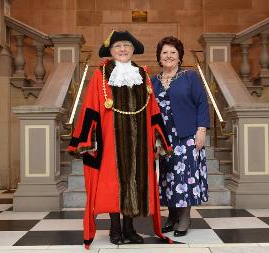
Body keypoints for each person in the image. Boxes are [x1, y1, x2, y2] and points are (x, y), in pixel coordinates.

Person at [68, 31, 172, 249]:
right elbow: (90, 107)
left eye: (127, 45)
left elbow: (153, 109)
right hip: (111, 140)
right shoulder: (101, 74)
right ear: (111, 51)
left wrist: (159, 138)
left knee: (136, 180)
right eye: (118, 46)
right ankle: (115, 227)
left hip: (140, 141)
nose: (123, 49)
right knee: (113, 183)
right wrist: (87, 140)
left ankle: (129, 228)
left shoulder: (142, 75)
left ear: (133, 50)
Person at [151, 36, 210, 237]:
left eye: (173, 53)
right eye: (165, 52)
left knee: (185, 178)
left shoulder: (189, 77)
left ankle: (184, 217)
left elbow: (202, 103)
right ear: (159, 57)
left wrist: (201, 129)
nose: (168, 56)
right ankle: (172, 215)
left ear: (179, 57)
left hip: (187, 136)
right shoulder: (153, 81)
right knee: (168, 178)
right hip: (163, 138)